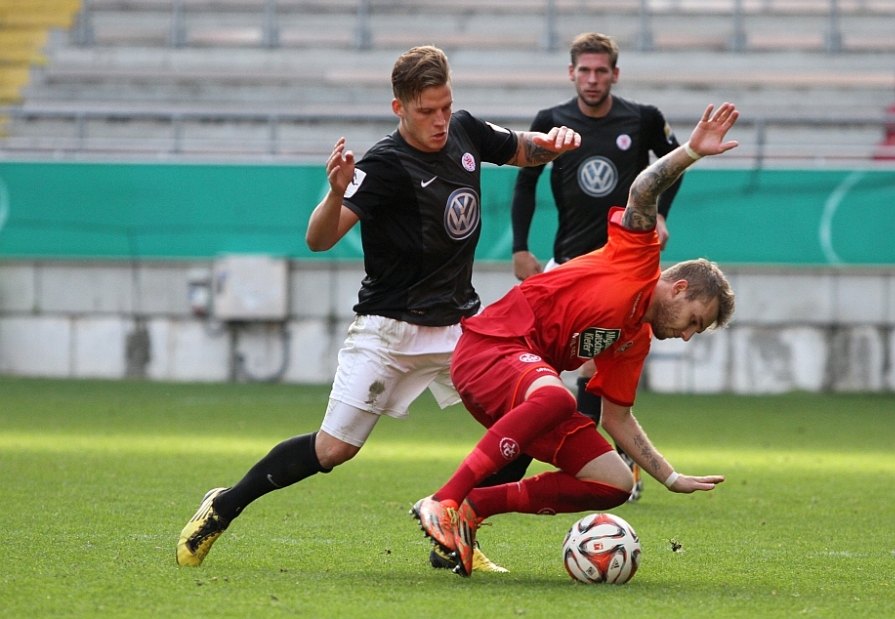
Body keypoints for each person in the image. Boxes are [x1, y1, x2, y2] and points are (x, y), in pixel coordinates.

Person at [175, 45, 580, 571]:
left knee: (525, 420)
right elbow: (319, 239)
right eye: (426, 111)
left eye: (445, 107)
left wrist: (554, 144)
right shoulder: (384, 164)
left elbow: (523, 148)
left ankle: (456, 533)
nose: (440, 121)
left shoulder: (465, 130)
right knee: (333, 450)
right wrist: (334, 194)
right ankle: (223, 506)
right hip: (389, 330)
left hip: (461, 328)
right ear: (399, 108)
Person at [413, 102, 739, 578]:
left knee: (614, 482)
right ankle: (444, 500)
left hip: (523, 383)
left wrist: (669, 477)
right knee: (558, 398)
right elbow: (643, 190)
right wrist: (690, 151)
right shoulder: (638, 257)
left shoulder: (634, 339)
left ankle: (472, 509)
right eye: (694, 320)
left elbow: (617, 418)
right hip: (491, 347)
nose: (688, 335)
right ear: (679, 288)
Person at [507, 33, 685, 501]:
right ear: (571, 73)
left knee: (592, 370)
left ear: (615, 74)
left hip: (621, 273)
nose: (592, 79)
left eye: (600, 71)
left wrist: (661, 213)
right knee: (539, 374)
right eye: (584, 70)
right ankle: (596, 461)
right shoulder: (552, 120)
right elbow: (525, 183)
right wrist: (521, 247)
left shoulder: (643, 119)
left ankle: (597, 465)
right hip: (568, 266)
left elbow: (673, 166)